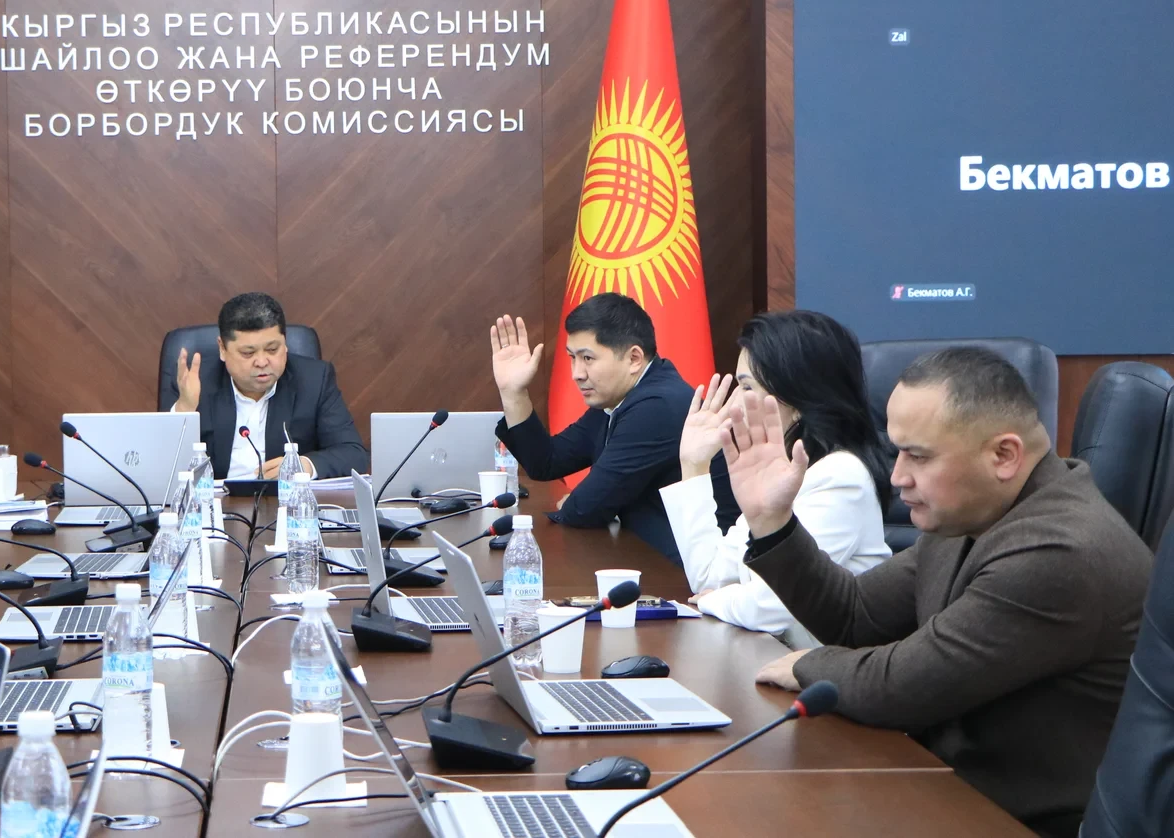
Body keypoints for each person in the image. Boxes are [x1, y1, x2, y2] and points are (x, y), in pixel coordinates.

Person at [725, 347, 1151, 838]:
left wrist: (809, 664)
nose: (896, 476)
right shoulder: (979, 513)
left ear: (1004, 455)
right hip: (947, 792)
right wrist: (773, 522)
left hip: (1015, 821)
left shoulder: (1058, 552)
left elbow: (902, 688)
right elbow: (855, 615)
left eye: (919, 456)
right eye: (898, 451)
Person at [661, 310, 890, 638]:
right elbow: (708, 577)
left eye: (747, 387)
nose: (734, 405)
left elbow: (775, 606)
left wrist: (716, 600)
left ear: (796, 399)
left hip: (817, 667)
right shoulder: (777, 467)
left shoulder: (840, 476)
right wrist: (694, 465)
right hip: (766, 656)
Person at [489, 293, 737, 563]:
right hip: (647, 559)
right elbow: (547, 461)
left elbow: (584, 509)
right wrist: (513, 392)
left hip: (692, 573)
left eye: (587, 358)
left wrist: (577, 503)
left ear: (634, 358)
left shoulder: (657, 407)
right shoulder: (622, 396)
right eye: (572, 357)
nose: (576, 373)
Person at [171, 292, 366, 479]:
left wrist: (305, 465)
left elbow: (353, 454)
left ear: (285, 343)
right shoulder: (193, 382)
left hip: (285, 498)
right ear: (222, 348)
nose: (262, 362)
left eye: (272, 349)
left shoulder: (314, 380)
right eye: (248, 353)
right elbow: (164, 464)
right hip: (215, 499)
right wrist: (184, 410)